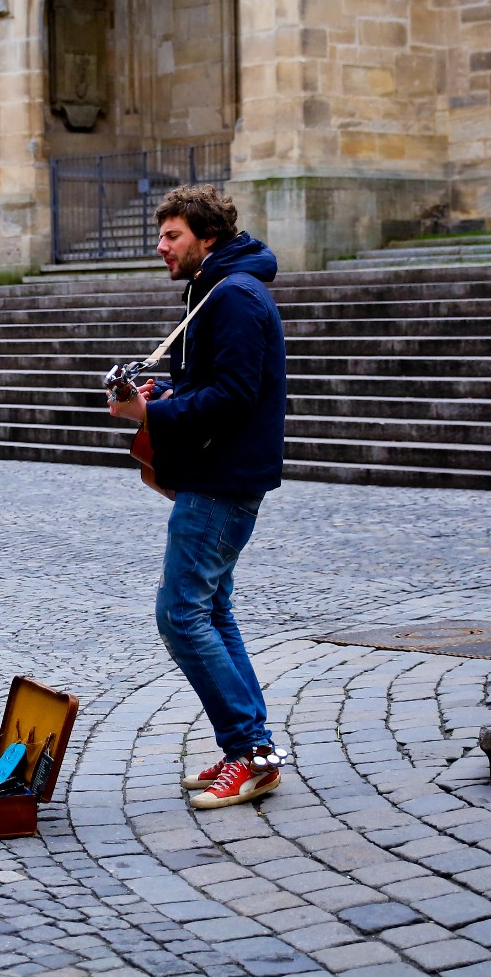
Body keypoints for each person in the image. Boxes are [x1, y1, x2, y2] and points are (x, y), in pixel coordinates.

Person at [106, 185, 287, 811]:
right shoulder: (218, 287)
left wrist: (151, 417)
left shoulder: (234, 296)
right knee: (211, 613)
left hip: (222, 480)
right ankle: (253, 751)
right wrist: (158, 392)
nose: (161, 247)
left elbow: (235, 396)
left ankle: (248, 753)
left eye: (171, 236)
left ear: (206, 238)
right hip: (222, 475)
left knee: (181, 615)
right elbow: (209, 381)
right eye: (161, 236)